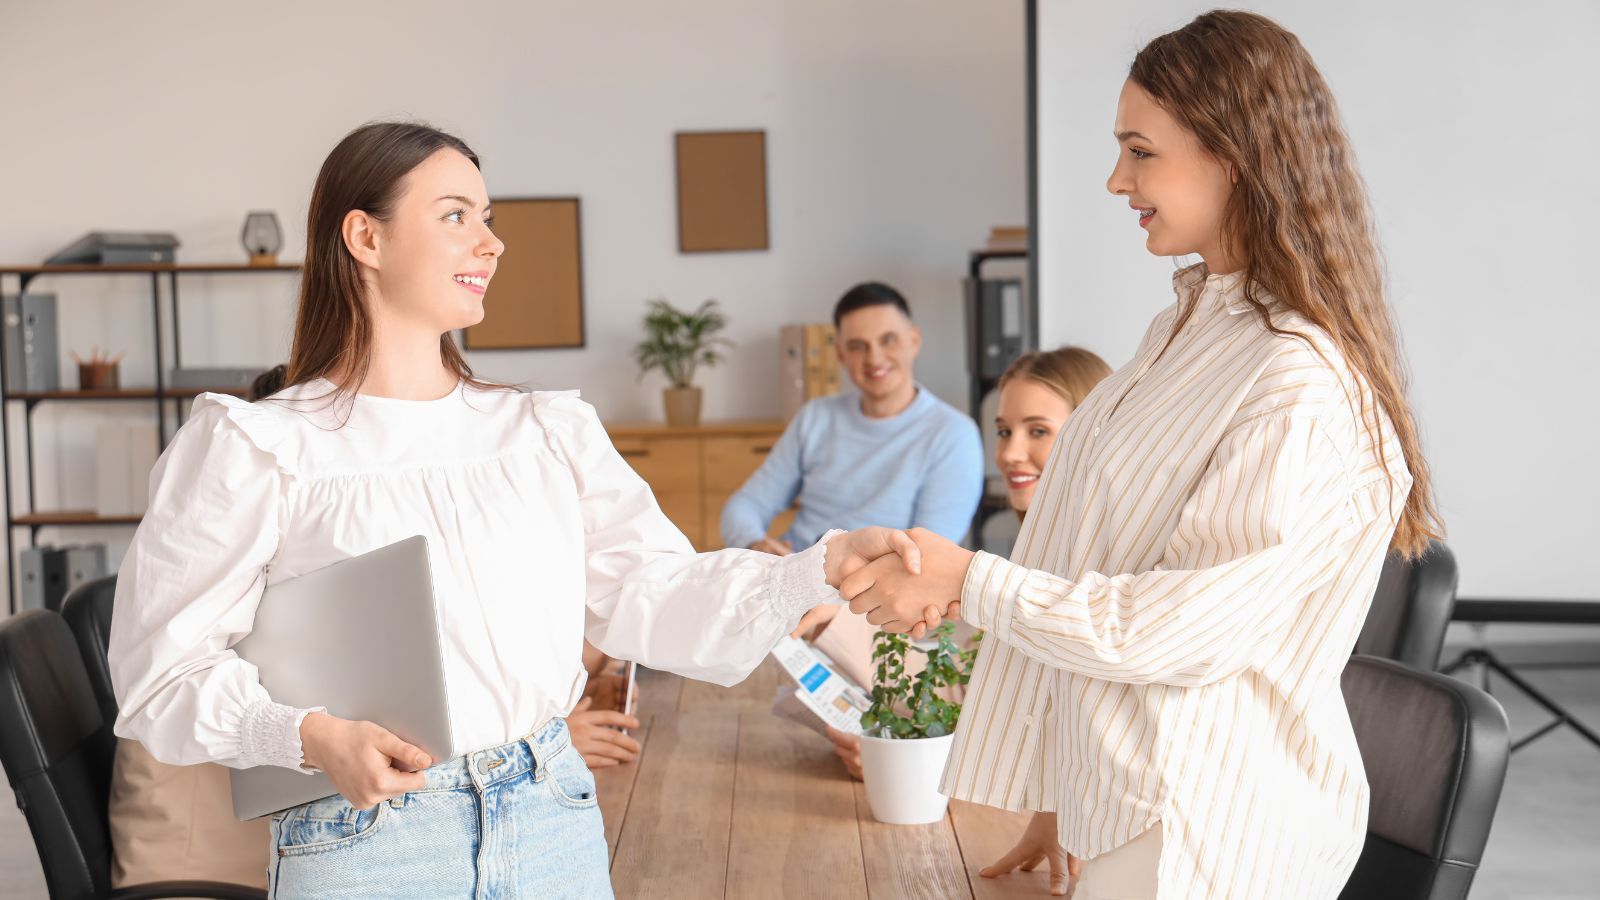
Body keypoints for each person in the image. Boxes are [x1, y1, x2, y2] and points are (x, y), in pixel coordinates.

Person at [107, 121, 921, 899]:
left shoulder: (546, 431)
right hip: (367, 839)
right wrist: (309, 737)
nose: (491, 243)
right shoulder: (254, 446)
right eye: (455, 216)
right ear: (365, 238)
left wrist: (817, 569)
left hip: (549, 815)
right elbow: (160, 675)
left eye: (488, 218)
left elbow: (654, 593)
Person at [833, 11, 1441, 900]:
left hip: (1203, 832)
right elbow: (1091, 553)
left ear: (1232, 156)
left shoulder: (1295, 380)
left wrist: (969, 581)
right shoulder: (1186, 327)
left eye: (1140, 151)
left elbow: (1182, 628)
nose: (1117, 179)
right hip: (1129, 807)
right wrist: (1052, 781)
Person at [720, 281, 983, 557]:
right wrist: (756, 544)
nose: (874, 358)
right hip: (791, 566)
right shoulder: (815, 417)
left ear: (914, 340)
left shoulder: (953, 435)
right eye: (858, 346)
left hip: (874, 581)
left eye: (887, 340)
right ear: (840, 354)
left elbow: (927, 555)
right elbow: (745, 505)